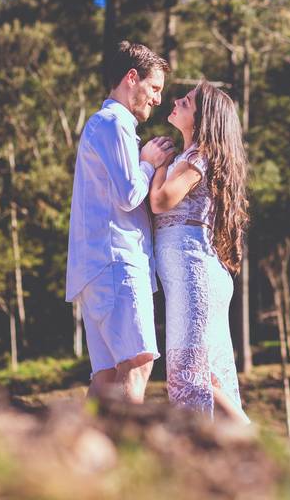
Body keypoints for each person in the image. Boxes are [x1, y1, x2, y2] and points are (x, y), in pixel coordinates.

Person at [65, 41, 176, 403]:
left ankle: (79, 451)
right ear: (132, 78)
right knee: (139, 362)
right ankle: (128, 453)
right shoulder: (115, 122)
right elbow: (129, 195)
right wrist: (149, 160)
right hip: (117, 260)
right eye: (155, 88)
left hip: (98, 264)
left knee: (109, 375)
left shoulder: (103, 125)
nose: (158, 99)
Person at [149, 81, 250, 422]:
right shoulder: (192, 156)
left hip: (195, 276)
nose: (177, 100)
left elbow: (162, 201)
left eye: (187, 101)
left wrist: (158, 165)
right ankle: (259, 449)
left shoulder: (196, 157)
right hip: (196, 275)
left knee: (189, 376)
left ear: (203, 119)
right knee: (205, 376)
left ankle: (266, 448)